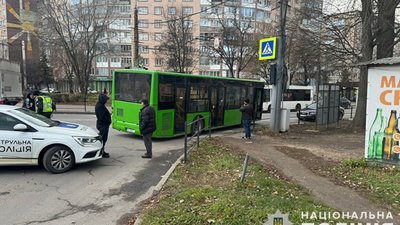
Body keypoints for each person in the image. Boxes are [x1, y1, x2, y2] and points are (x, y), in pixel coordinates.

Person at [95, 93, 111, 158]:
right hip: (103, 125)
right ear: (102, 99)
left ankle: (102, 151)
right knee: (103, 139)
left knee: (103, 139)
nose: (106, 101)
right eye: (106, 99)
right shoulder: (100, 106)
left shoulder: (100, 105)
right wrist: (108, 121)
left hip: (103, 124)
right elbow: (102, 117)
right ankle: (101, 152)